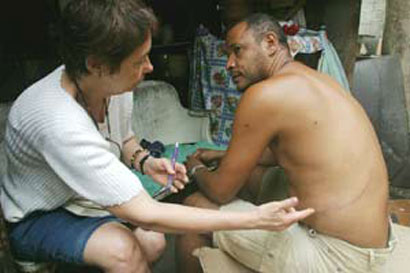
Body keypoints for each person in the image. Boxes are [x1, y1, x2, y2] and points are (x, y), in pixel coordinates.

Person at [1, 2, 315, 273]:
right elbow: (146, 214)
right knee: (123, 250)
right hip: (39, 216)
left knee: (152, 243)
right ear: (96, 64)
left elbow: (125, 140)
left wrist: (145, 161)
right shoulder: (58, 121)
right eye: (139, 61)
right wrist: (254, 219)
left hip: (85, 201)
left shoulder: (111, 86)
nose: (150, 67)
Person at [177, 13, 396, 273]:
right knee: (254, 176)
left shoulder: (264, 95)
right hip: (374, 246)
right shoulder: (316, 80)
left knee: (195, 208)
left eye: (237, 51)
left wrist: (195, 168)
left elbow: (221, 190)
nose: (229, 64)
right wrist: (220, 155)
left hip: (337, 258)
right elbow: (294, 154)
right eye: (227, 55)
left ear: (271, 43)